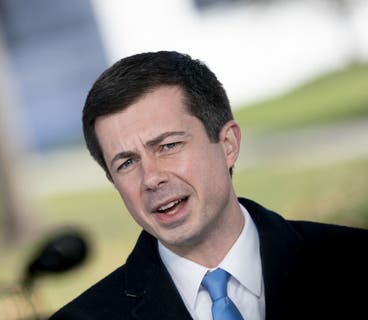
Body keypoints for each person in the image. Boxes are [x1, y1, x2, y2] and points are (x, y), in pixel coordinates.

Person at [49, 51, 368, 320]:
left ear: (227, 144)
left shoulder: (350, 261)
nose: (151, 178)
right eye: (127, 163)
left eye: (168, 146)